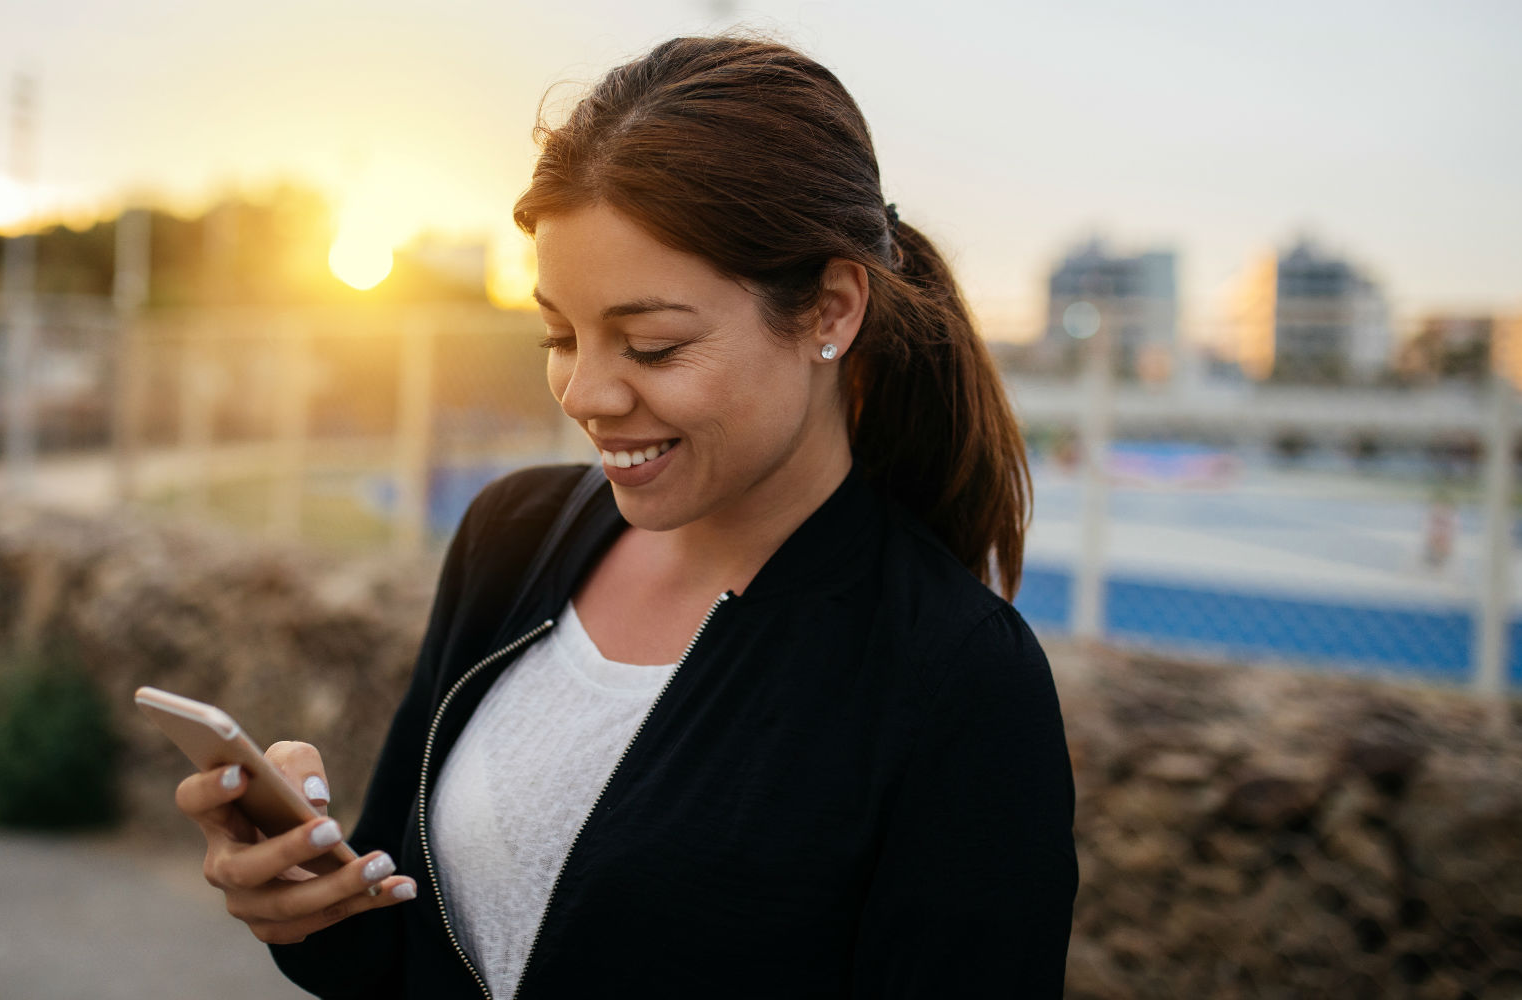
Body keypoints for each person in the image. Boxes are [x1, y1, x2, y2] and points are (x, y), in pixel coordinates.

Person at [171, 33, 1077, 998]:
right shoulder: (509, 537)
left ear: (831, 310)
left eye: (650, 347)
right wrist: (306, 906)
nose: (586, 394)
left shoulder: (960, 679)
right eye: (560, 334)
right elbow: (398, 947)